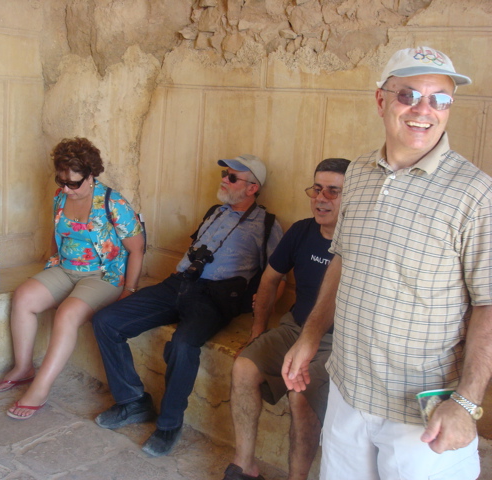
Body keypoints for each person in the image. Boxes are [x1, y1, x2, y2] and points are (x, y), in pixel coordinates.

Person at [283, 46, 492, 480]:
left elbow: (488, 304)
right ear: (381, 100)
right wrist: (311, 334)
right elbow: (343, 260)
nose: (424, 110)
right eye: (408, 95)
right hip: (348, 389)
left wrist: (467, 402)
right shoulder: (358, 174)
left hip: (421, 410)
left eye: (441, 98)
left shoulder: (476, 193)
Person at [92, 154, 283, 457]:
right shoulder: (215, 212)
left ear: (252, 188)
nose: (224, 179)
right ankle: (132, 401)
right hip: (176, 284)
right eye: (225, 173)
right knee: (106, 320)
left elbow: (278, 276)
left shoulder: (268, 224)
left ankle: (168, 425)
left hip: (214, 298)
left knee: (182, 344)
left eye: (232, 177)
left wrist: (261, 319)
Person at [0, 137, 145, 420]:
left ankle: (40, 389)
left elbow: (137, 248)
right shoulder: (60, 197)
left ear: (91, 175)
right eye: (62, 181)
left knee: (67, 313)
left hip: (103, 275)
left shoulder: (113, 202)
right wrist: (51, 265)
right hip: (65, 268)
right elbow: (56, 232)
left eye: (74, 183)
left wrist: (130, 290)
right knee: (24, 296)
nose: (66, 188)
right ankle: (23, 368)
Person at [222, 158, 350, 480]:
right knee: (244, 366)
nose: (321, 198)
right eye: (317, 189)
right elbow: (269, 280)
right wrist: (257, 331)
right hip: (294, 329)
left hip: (339, 343)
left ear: (352, 197)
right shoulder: (301, 231)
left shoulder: (362, 242)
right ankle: (244, 466)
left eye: (333, 191)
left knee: (300, 396)